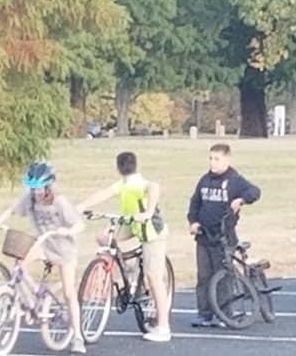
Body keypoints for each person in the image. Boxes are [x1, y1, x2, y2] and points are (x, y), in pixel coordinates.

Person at [0, 161, 88, 353]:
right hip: (43, 244)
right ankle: (31, 300)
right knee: (18, 265)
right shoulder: (30, 198)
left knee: (69, 293)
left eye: (39, 188)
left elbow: (79, 225)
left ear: (49, 185)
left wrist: (66, 231)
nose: (35, 192)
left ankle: (77, 336)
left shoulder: (60, 201)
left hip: (63, 249)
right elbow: (13, 210)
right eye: (32, 188)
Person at [77, 151, 172, 342]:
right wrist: (81, 206)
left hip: (151, 231)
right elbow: (103, 193)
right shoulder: (123, 184)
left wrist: (149, 211)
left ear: (118, 167)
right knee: (104, 238)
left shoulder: (137, 182)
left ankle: (163, 327)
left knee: (154, 277)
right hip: (133, 224)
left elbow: (153, 186)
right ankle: (126, 268)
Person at [187, 143, 262, 327]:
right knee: (204, 276)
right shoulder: (204, 180)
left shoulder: (234, 180)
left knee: (223, 276)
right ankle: (204, 313)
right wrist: (193, 222)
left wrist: (241, 200)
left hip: (224, 236)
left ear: (227, 160)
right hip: (204, 236)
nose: (213, 162)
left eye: (217, 159)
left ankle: (224, 313)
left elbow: (254, 191)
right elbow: (195, 203)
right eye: (211, 158)